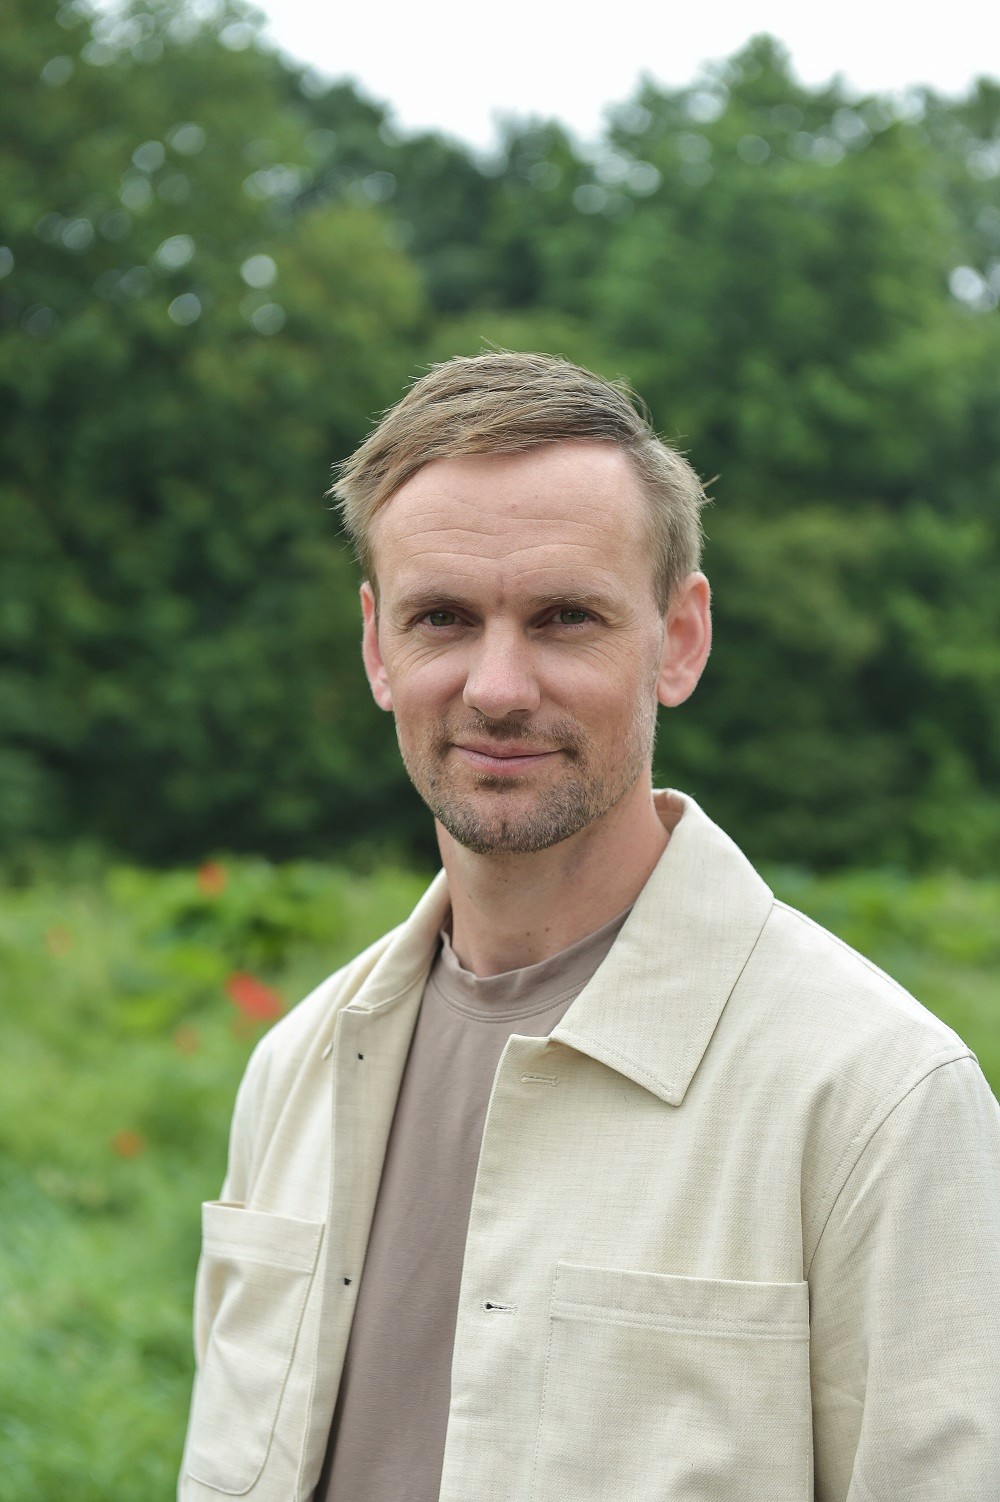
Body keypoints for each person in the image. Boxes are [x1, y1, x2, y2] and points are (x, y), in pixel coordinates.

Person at [178, 352, 1000, 1502]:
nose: (497, 686)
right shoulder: (295, 1070)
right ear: (377, 647)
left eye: (564, 616)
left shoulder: (875, 1100)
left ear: (679, 637)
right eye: (441, 617)